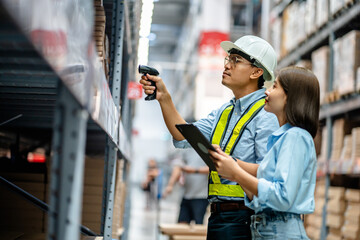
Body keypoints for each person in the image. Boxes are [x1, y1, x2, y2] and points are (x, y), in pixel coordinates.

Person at [139, 35, 279, 239]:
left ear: (257, 72)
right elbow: (182, 133)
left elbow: (269, 173)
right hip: (218, 215)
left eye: (236, 61)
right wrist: (164, 97)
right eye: (228, 59)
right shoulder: (225, 111)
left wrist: (232, 165)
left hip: (246, 218)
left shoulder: (267, 114)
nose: (227, 66)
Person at [210, 66, 319, 239]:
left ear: (291, 97)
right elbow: (262, 179)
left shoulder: (296, 137)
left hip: (281, 232)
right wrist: (229, 163)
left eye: (274, 86)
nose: (267, 92)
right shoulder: (282, 138)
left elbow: (282, 196)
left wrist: (236, 173)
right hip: (266, 230)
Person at [163, 149, 209, 224]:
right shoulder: (186, 149)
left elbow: (215, 168)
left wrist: (194, 170)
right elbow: (178, 167)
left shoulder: (207, 147)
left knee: (198, 225)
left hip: (201, 196)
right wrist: (170, 185)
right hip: (186, 194)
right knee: (182, 223)